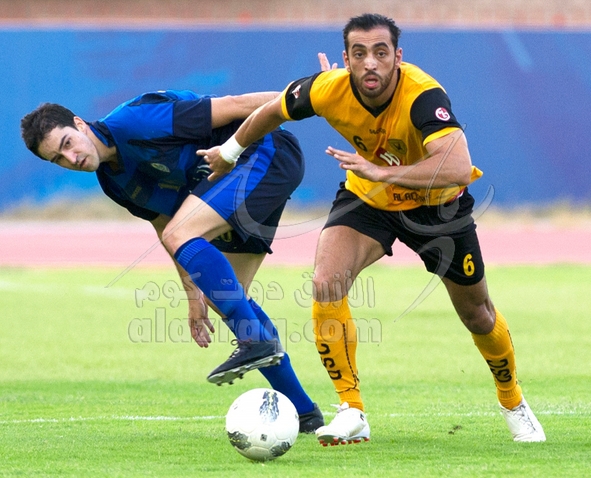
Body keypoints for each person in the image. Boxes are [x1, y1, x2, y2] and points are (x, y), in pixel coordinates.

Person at [198, 13, 546, 445]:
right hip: (369, 199)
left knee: (478, 314)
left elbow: (457, 167)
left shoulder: (422, 95)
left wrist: (383, 173)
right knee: (326, 282)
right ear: (346, 59)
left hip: (437, 207)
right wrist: (230, 151)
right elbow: (271, 112)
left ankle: (512, 400)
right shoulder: (329, 88)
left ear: (398, 57)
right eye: (359, 54)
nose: (370, 63)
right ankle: (352, 410)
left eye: (381, 53)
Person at [20, 88, 324, 433]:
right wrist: (193, 296)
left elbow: (235, 105)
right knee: (224, 295)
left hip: (266, 151)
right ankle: (305, 413)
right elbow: (166, 226)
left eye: (67, 143)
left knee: (215, 280)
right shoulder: (114, 183)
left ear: (79, 124)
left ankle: (255, 341)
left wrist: (313, 95)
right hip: (239, 178)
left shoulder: (134, 121)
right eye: (58, 159)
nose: (71, 158)